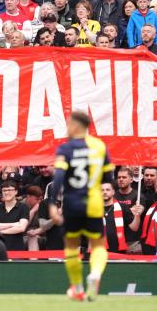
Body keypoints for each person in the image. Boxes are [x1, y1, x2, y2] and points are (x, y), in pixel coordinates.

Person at [49, 111, 112, 301]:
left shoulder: (65, 149)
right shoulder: (100, 146)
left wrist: (53, 203)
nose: (67, 128)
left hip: (72, 205)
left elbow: (58, 177)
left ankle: (77, 288)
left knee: (71, 247)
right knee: (98, 245)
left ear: (77, 125)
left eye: (69, 124)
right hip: (94, 204)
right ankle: (95, 274)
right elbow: (108, 178)